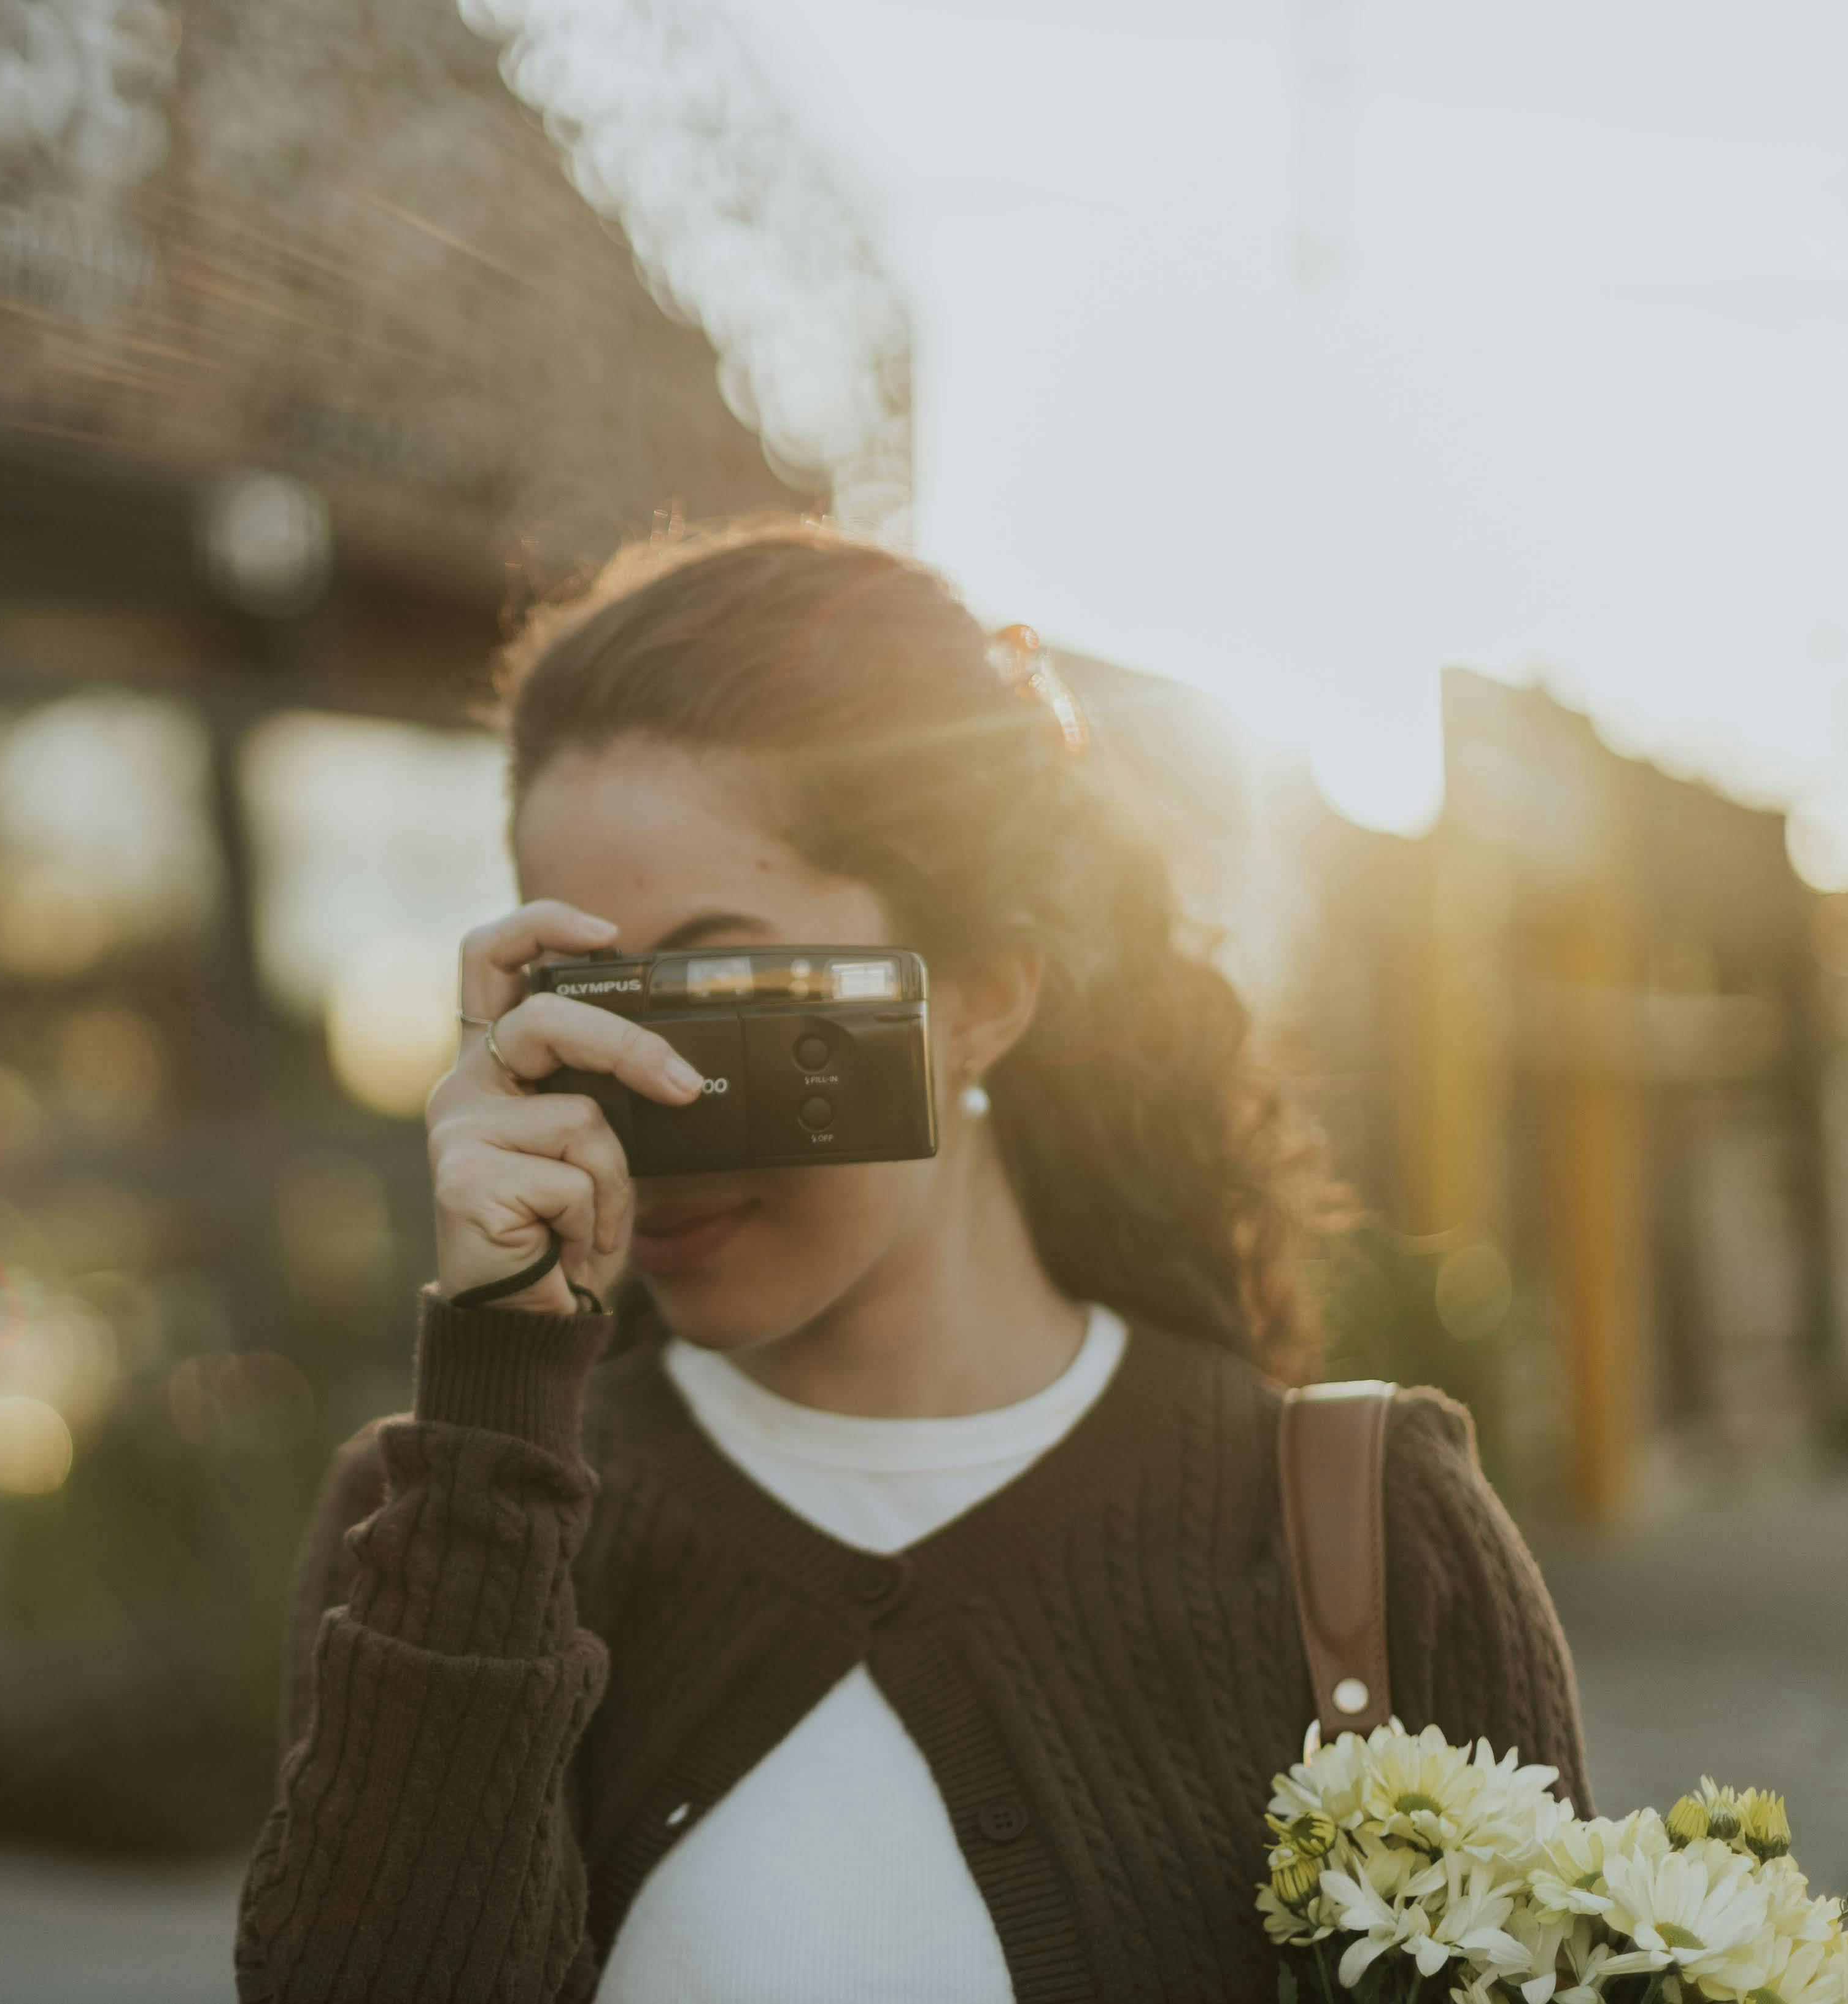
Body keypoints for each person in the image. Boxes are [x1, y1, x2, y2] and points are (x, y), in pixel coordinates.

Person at [234, 522, 1586, 2002]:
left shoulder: (1365, 1534)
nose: (630, 1096)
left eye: (719, 993)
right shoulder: (438, 1522)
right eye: (582, 1004)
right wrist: (497, 1385)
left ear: (985, 993)